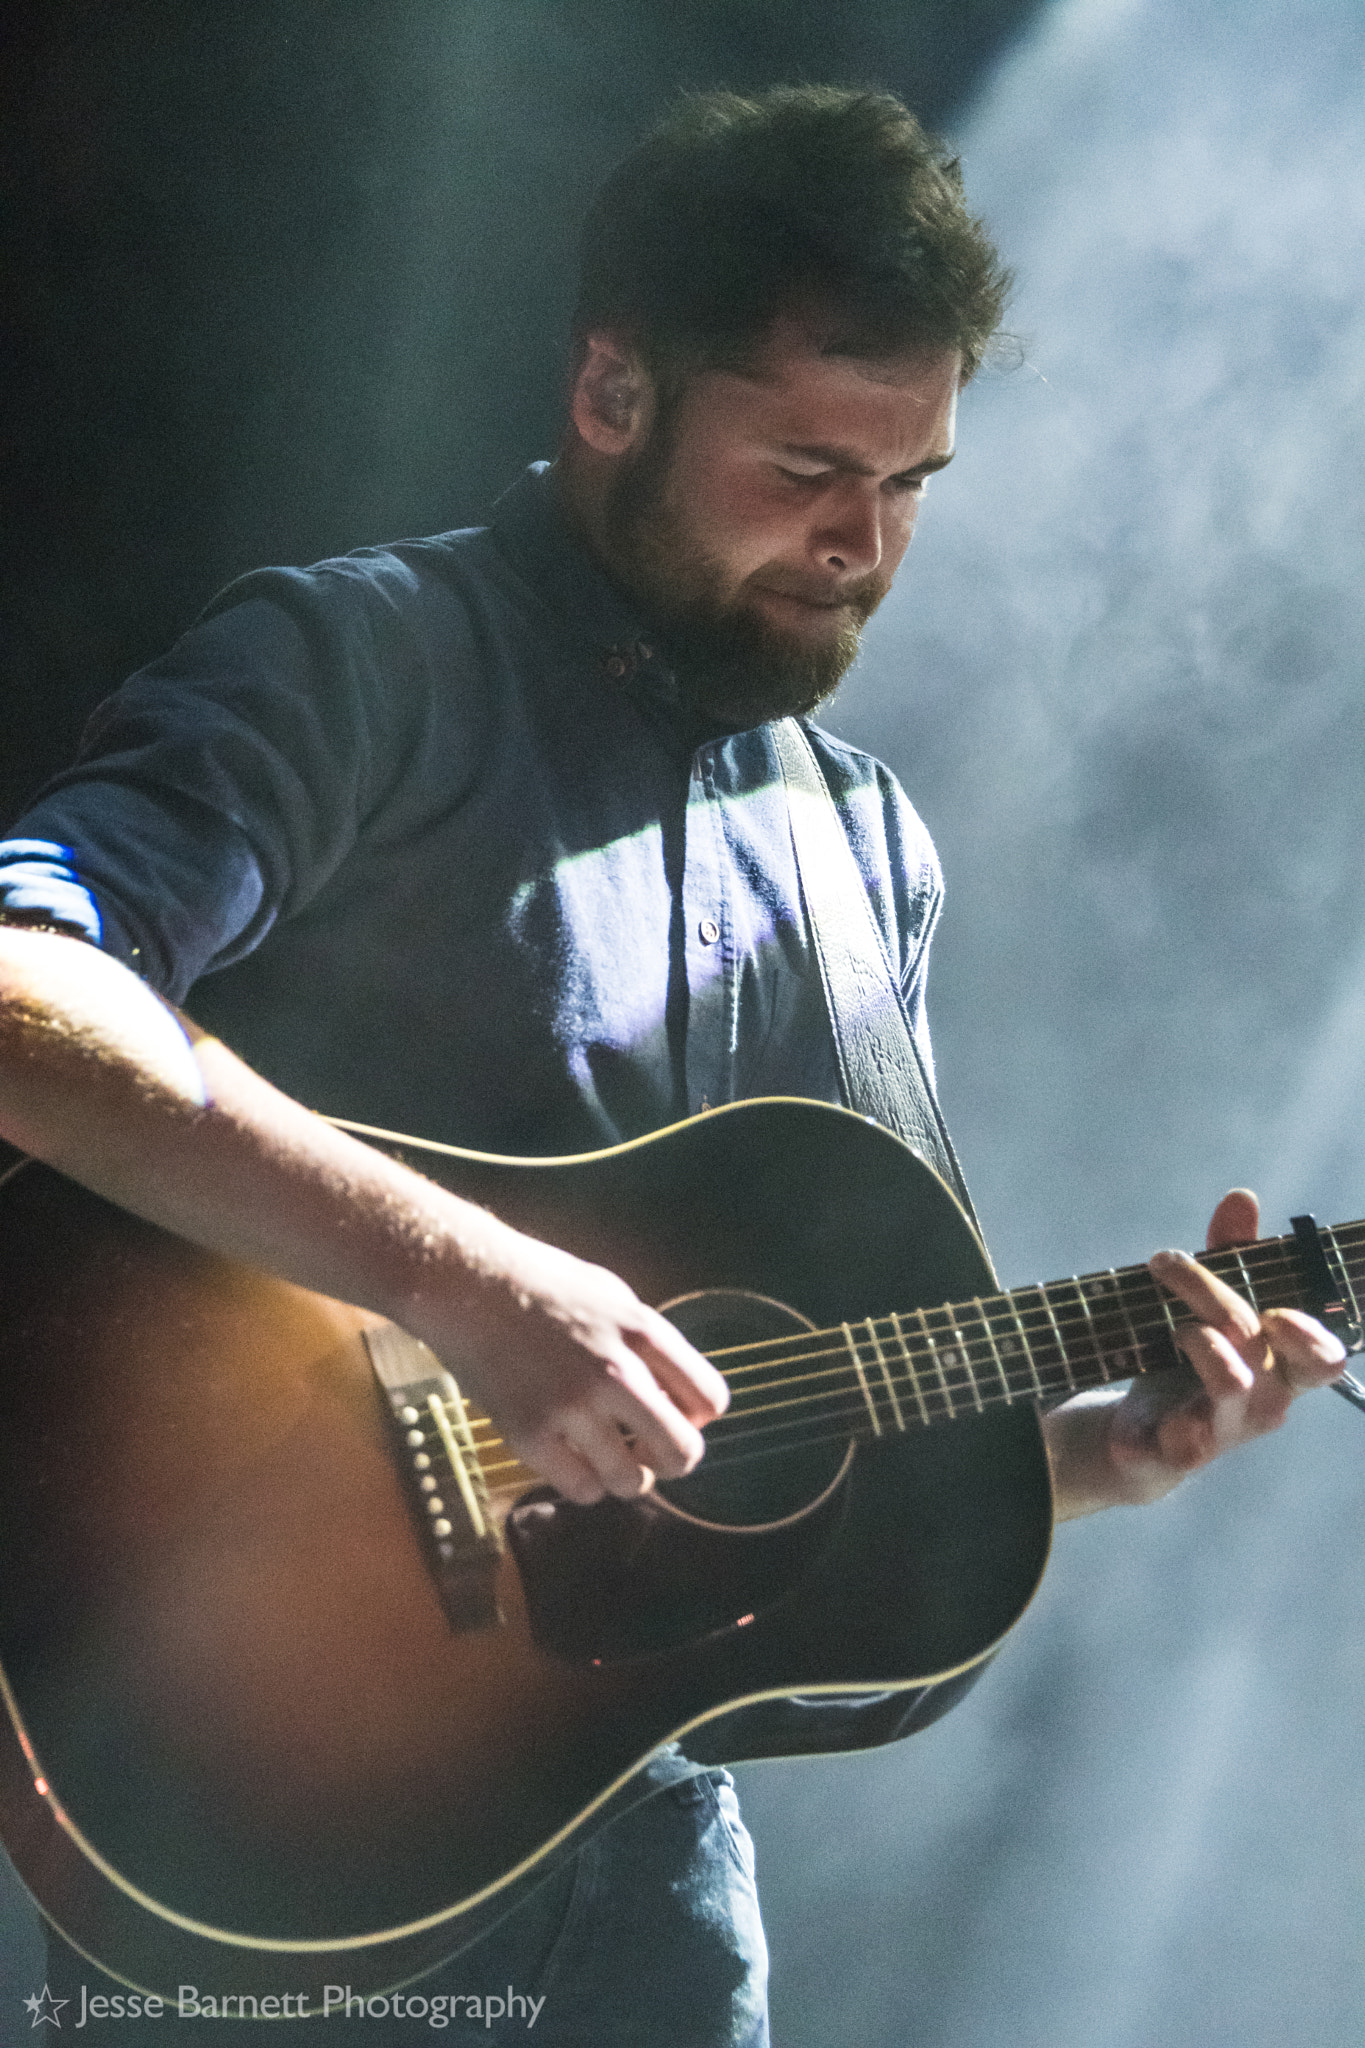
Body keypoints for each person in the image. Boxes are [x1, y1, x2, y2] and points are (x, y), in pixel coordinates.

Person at [0, 86, 1346, 2047]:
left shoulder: (866, 840)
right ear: (611, 390)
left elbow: (750, 1430)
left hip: (647, 1887)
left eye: (908, 484)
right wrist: (452, 1273)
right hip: (260, 1825)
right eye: (807, 464)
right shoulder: (364, 661)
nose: (860, 546)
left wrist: (1090, 1459)